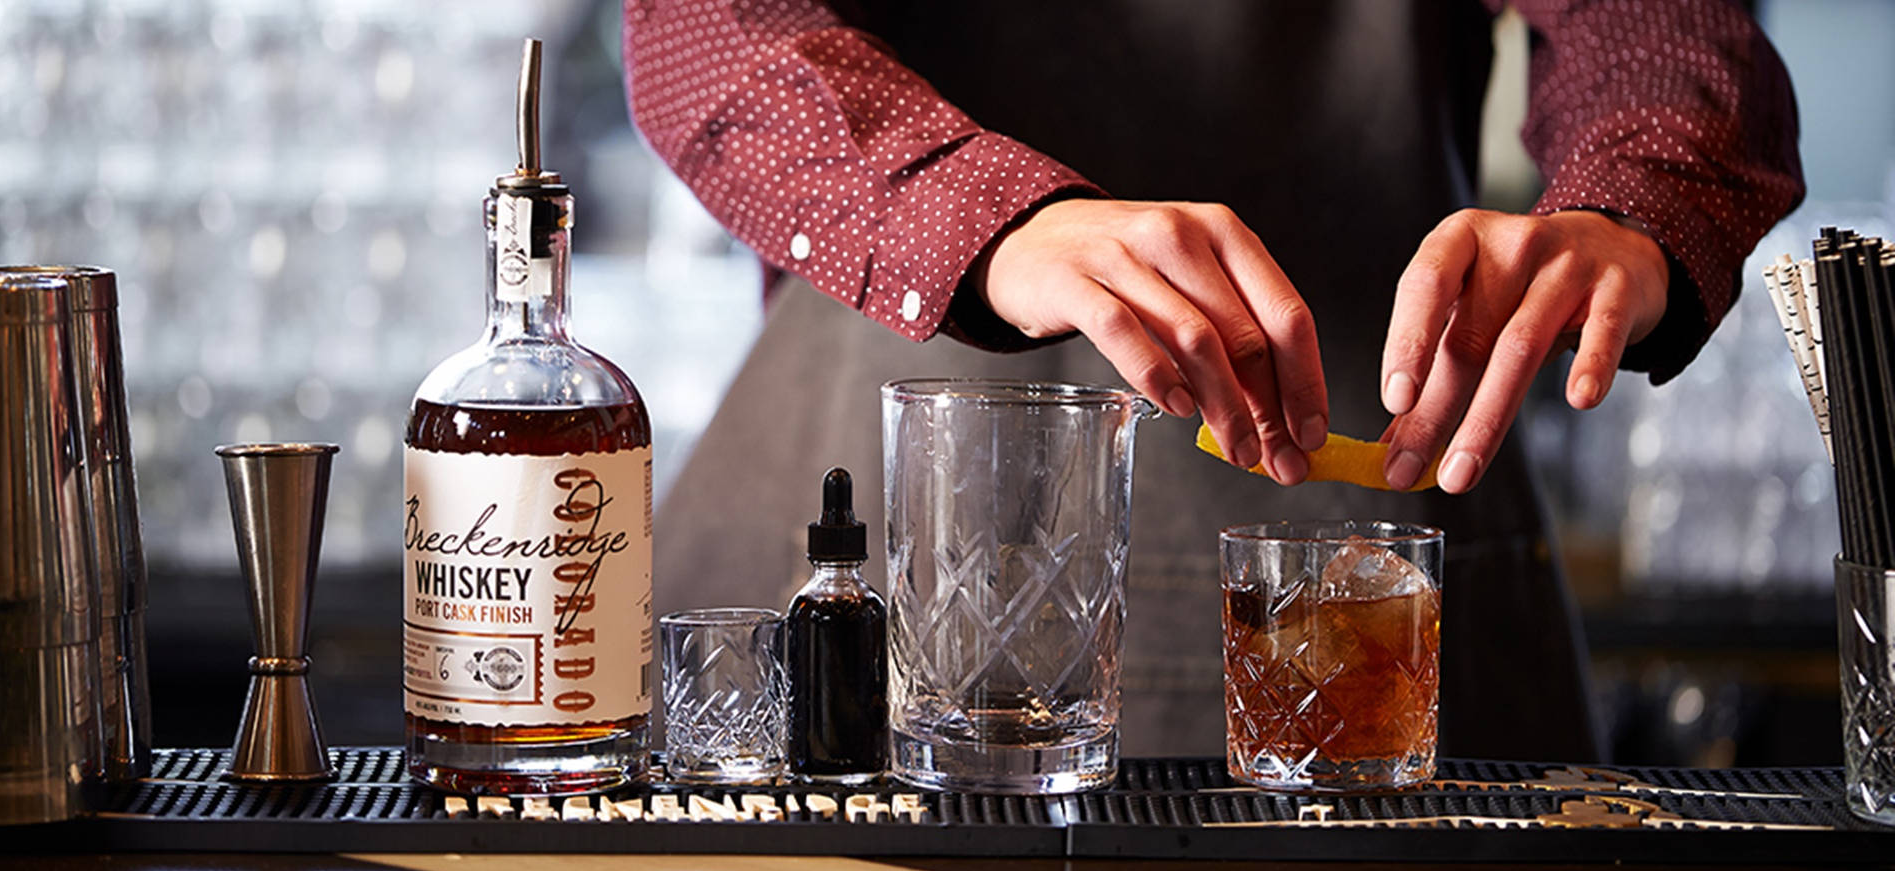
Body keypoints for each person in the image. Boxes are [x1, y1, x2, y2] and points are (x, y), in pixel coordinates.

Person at [623, 0, 1803, 760]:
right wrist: (983, 220)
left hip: (1361, 594)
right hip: (850, 573)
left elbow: (1659, 29)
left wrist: (1632, 204)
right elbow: (703, 29)